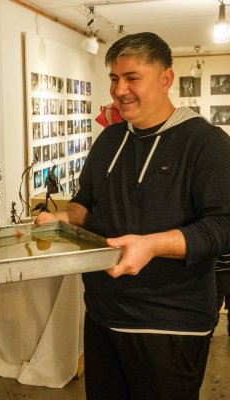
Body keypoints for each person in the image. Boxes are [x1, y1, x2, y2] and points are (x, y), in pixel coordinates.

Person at [36, 32, 230, 400]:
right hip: (103, 314)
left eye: (132, 78)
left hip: (170, 322)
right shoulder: (110, 139)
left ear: (165, 79)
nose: (119, 90)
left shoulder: (207, 143)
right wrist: (66, 218)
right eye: (114, 78)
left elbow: (222, 225)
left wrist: (152, 245)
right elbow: (86, 200)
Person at [215, 254, 230, 336]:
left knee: (214, 307)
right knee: (214, 307)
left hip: (217, 274)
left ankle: (209, 334)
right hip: (217, 274)